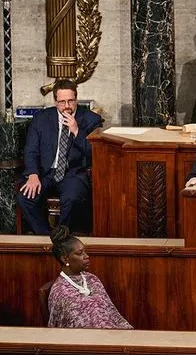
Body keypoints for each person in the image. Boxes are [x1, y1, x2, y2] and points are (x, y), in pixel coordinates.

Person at [17, 79, 102, 235]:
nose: (67, 106)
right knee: (25, 198)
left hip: (73, 173)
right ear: (55, 101)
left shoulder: (91, 120)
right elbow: (31, 150)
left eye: (70, 101)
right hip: (46, 172)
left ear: (76, 99)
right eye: (62, 102)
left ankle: (62, 237)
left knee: (72, 198)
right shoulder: (41, 119)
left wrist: (76, 131)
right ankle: (47, 237)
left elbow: (95, 153)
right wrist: (33, 174)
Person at [47, 225, 132, 329]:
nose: (86, 256)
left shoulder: (92, 279)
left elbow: (111, 313)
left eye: (85, 251)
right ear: (65, 259)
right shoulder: (60, 291)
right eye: (80, 253)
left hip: (112, 334)